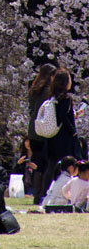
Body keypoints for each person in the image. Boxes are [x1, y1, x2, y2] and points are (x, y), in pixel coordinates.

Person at [41, 68, 82, 198]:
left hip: (53, 136)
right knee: (69, 165)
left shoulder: (52, 97)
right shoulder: (66, 98)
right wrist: (73, 132)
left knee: (52, 166)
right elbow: (63, 117)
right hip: (64, 137)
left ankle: (45, 193)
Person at [27, 63, 56, 204]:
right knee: (45, 165)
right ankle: (42, 194)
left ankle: (36, 195)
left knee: (37, 164)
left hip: (33, 130)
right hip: (44, 131)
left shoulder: (34, 90)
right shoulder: (47, 91)